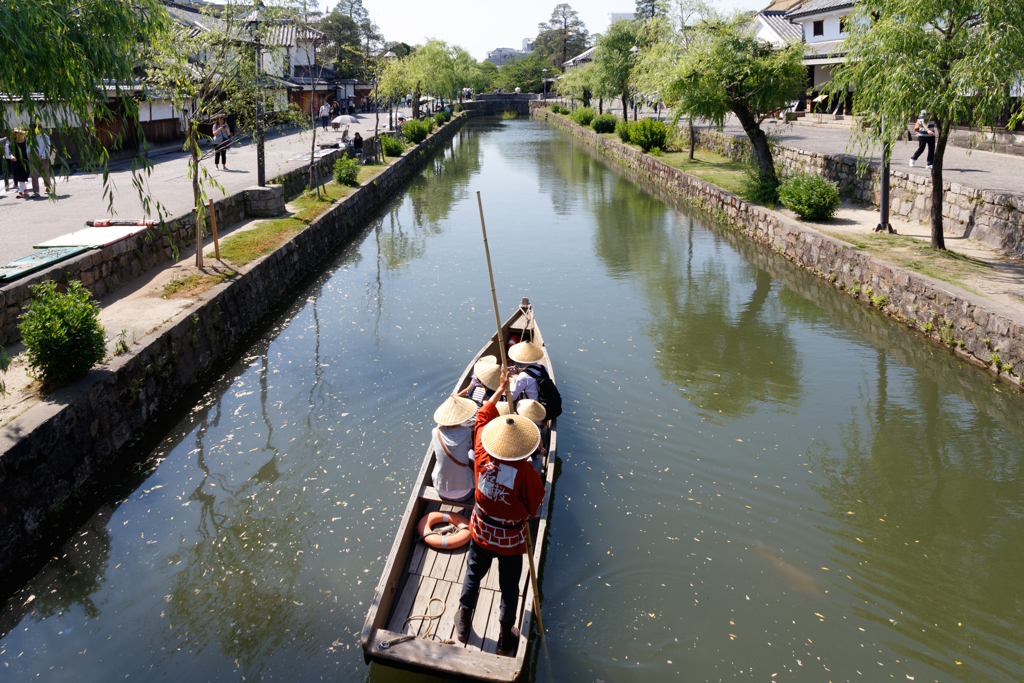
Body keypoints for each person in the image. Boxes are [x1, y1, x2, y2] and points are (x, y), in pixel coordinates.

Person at [455, 369, 545, 657]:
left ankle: (463, 619)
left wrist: (500, 388)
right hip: (511, 540)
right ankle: (506, 635)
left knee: (473, 574)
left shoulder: (481, 450)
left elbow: (481, 416)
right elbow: (533, 508)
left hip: (481, 531)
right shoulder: (527, 473)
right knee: (509, 588)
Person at [429, 395, 478, 502]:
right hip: (465, 492)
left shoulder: (435, 432)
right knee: (471, 453)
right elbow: (468, 447)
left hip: (441, 490)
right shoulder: (466, 432)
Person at [30, 125, 52, 197]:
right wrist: (29, 154)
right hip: (33, 158)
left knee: (45, 173)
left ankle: (48, 188)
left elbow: (47, 147)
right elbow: (28, 146)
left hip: (44, 158)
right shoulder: (30, 137)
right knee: (34, 175)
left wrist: (42, 155)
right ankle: (36, 191)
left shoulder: (44, 137)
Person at [9, 128, 30, 198]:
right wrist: (11, 156)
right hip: (16, 162)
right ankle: (25, 189)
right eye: (17, 133)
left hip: (25, 161)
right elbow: (10, 151)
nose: (19, 135)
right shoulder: (13, 143)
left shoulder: (26, 142)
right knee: (18, 176)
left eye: (20, 133)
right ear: (15, 135)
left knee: (23, 175)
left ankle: (20, 192)